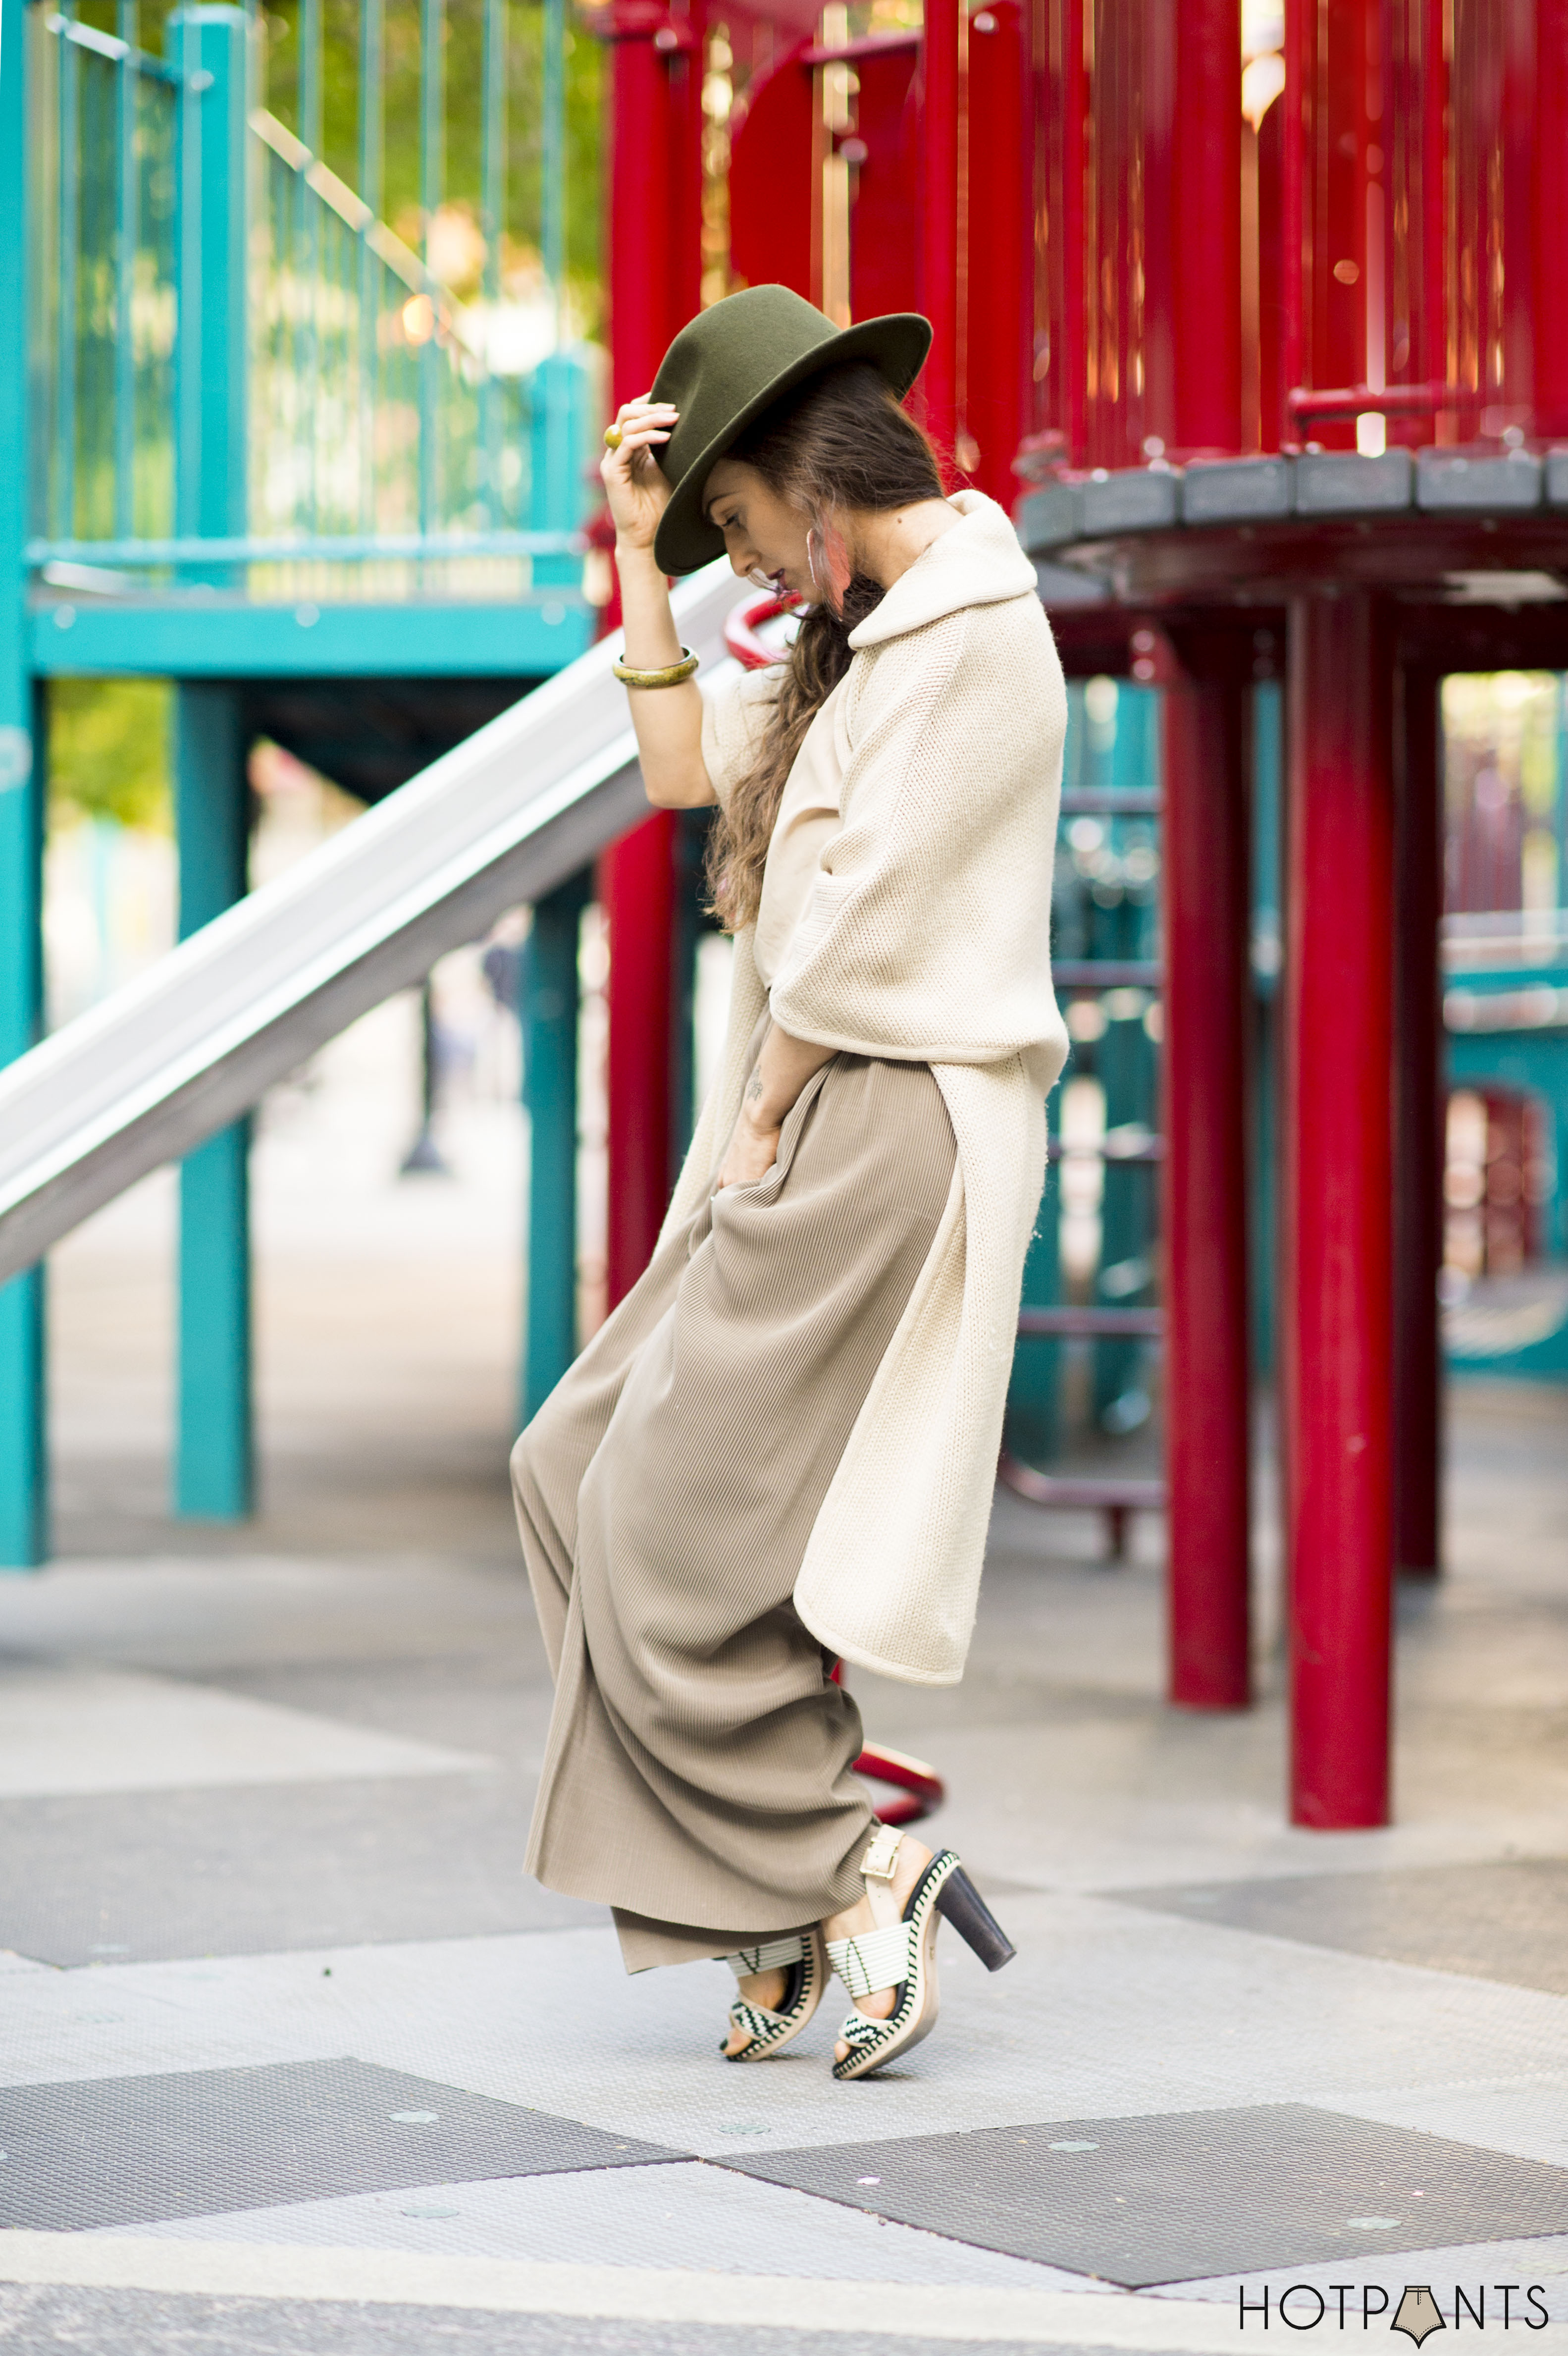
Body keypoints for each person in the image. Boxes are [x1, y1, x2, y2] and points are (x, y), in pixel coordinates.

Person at [512, 283, 1068, 2081]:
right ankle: (757, 1891)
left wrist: (759, 1116)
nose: (745, 565)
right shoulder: (865, 636)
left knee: (668, 1538)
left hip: (880, 1114)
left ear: (806, 476)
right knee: (566, 1468)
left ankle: (849, 1870)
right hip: (800, 1107)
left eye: (739, 525)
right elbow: (684, 771)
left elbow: (859, 938)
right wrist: (633, 547)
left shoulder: (980, 637)